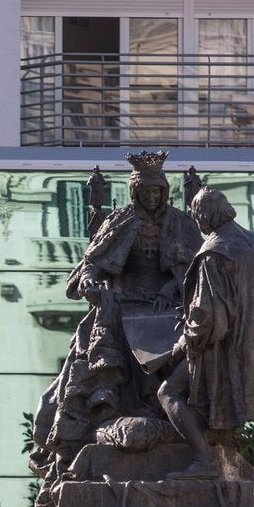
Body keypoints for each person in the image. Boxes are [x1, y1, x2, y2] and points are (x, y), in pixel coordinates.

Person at [30, 151, 202, 484]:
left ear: (165, 192)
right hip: (124, 303)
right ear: (136, 192)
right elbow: (93, 262)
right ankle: (107, 413)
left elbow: (194, 270)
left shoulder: (180, 222)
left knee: (182, 342)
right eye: (146, 192)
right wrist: (92, 281)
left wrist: (170, 290)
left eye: (157, 192)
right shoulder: (121, 220)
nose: (152, 198)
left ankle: (168, 413)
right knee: (100, 339)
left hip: (168, 306)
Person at [156, 187, 254, 505]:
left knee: (168, 392)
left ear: (204, 217)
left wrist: (182, 343)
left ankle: (203, 461)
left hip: (232, 351)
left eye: (197, 217)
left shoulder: (214, 252)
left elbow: (209, 317)